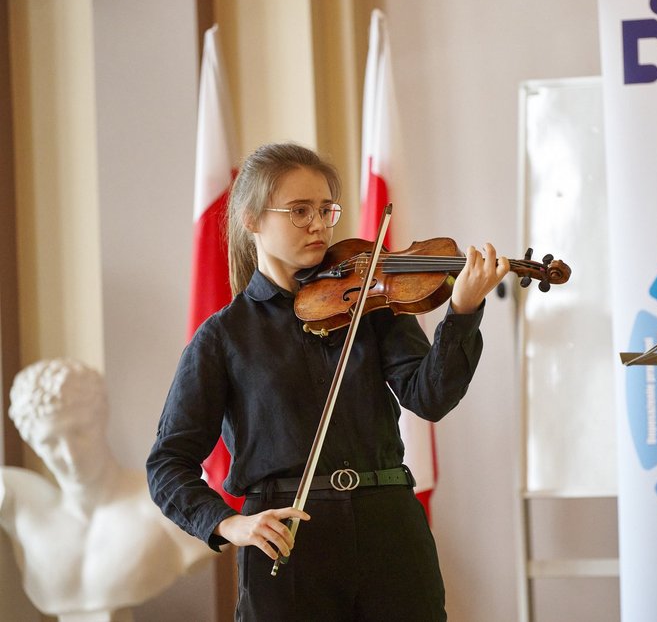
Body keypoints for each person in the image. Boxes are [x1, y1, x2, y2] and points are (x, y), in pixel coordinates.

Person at [146, 142, 509, 621]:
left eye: (325, 209)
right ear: (252, 219)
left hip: (390, 529)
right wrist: (228, 523)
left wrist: (461, 313)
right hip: (289, 544)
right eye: (299, 211)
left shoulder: (369, 301)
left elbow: (431, 397)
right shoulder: (223, 337)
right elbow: (168, 463)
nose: (318, 224)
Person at [0, 358, 212, 621]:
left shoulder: (163, 505)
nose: (70, 455)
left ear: (102, 415)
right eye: (50, 442)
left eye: (80, 431)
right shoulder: (25, 507)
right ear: (31, 442)